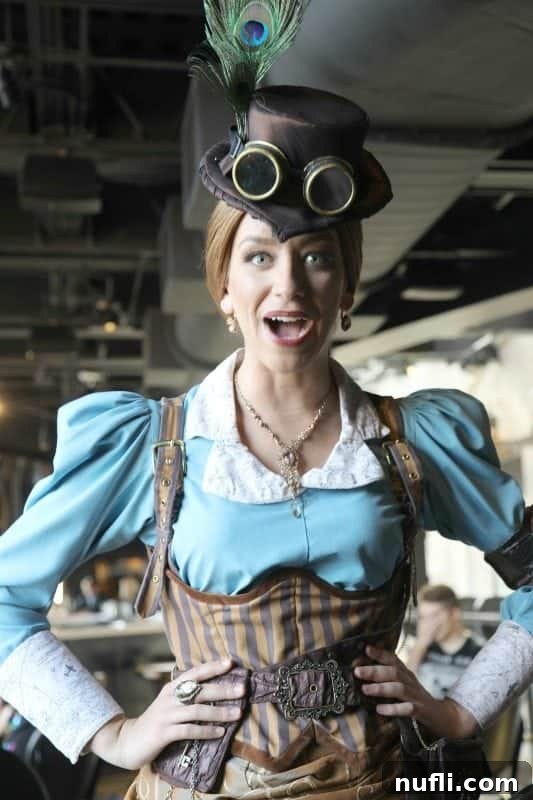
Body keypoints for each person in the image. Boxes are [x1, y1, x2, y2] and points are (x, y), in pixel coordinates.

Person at [1, 2, 532, 799]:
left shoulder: (411, 441)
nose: (288, 285)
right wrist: (112, 733)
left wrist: (461, 709)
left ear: (345, 287)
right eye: (258, 257)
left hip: (376, 780)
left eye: (316, 258)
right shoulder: (152, 446)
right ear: (223, 288)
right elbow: (5, 598)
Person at [407, 584, 483, 700]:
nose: (429, 624)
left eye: (434, 616)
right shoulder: (421, 649)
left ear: (455, 614)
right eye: (423, 617)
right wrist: (420, 644)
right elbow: (406, 684)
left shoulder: (479, 651)